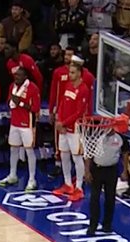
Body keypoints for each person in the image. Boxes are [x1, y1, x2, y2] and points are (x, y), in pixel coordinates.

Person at [53, 61, 91, 202]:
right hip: (63, 127)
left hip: (75, 129)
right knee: (64, 155)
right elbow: (62, 103)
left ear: (80, 73)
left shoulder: (83, 89)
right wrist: (59, 120)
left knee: (77, 157)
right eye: (69, 72)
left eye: (73, 72)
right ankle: (68, 184)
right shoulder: (68, 85)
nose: (70, 75)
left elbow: (79, 112)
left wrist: (63, 123)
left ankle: (79, 188)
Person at [0, 67, 40, 190]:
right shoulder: (12, 86)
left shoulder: (33, 88)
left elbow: (35, 108)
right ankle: (12, 175)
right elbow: (9, 101)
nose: (16, 77)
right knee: (13, 149)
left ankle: (32, 179)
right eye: (15, 75)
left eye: (19, 75)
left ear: (25, 77)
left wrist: (20, 103)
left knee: (29, 151)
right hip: (14, 123)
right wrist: (12, 102)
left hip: (27, 125)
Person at [86, 123, 124, 235]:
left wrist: (124, 170)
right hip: (97, 170)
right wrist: (87, 171)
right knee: (94, 198)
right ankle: (93, 226)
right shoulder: (96, 137)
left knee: (110, 198)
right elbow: (88, 155)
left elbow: (125, 153)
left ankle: (107, 225)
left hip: (112, 170)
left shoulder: (120, 138)